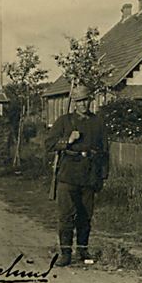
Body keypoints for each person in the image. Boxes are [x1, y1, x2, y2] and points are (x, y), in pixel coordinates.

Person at [44, 85, 109, 267]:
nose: (83, 104)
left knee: (85, 215)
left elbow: (104, 150)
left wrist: (103, 175)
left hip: (89, 174)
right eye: (79, 101)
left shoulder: (98, 122)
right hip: (68, 174)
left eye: (86, 100)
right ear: (74, 103)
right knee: (66, 215)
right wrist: (68, 141)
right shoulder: (64, 121)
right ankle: (66, 253)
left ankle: (82, 249)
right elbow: (49, 144)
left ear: (91, 101)